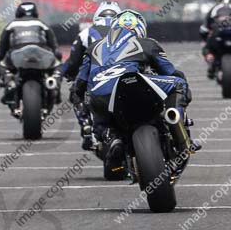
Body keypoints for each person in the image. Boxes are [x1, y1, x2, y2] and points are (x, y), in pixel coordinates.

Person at [75, 10, 201, 177]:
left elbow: (79, 85)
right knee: (178, 83)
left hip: (101, 93)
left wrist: (85, 109)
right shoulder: (147, 43)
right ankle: (176, 119)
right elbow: (171, 73)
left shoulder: (93, 48)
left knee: (94, 101)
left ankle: (109, 136)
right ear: (140, 28)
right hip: (132, 85)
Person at [61, 1, 121, 150]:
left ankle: (86, 125)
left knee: (76, 92)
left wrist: (66, 74)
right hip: (127, 76)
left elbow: (72, 62)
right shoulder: (130, 30)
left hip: (96, 80)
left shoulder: (86, 33)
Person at [0, 2, 61, 106]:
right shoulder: (41, 23)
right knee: (58, 66)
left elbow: (3, 45)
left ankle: (9, 82)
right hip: (41, 52)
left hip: (17, 53)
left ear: (18, 12)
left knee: (1, 67)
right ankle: (54, 83)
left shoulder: (12, 24)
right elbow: (53, 44)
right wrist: (56, 56)